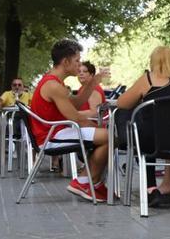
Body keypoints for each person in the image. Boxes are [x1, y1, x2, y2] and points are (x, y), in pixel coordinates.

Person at [116, 46, 170, 208]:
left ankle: (151, 189)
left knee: (142, 132)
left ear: (153, 61)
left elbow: (122, 103)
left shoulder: (148, 79)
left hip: (153, 141)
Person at [30, 39, 110, 201]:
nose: (79, 65)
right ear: (65, 62)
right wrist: (99, 128)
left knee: (105, 134)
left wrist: (93, 82)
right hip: (51, 137)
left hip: (55, 132)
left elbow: (77, 102)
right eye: (77, 60)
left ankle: (89, 181)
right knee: (110, 137)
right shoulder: (53, 85)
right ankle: (84, 181)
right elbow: (76, 117)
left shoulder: (53, 82)